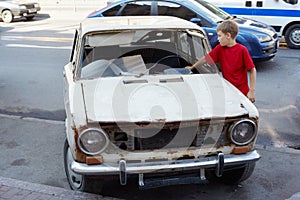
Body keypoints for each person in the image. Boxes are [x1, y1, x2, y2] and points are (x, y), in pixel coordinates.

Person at [186, 20, 256, 103]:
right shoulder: (219, 49)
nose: (218, 39)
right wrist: (192, 67)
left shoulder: (242, 50)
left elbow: (252, 70)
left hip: (242, 92)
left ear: (228, 35)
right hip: (228, 90)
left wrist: (251, 91)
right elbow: (206, 59)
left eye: (219, 36)